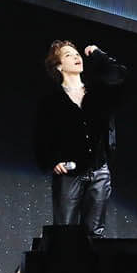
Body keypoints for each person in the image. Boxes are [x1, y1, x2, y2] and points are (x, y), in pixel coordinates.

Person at [33, 41, 127, 238]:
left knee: (95, 235)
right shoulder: (52, 101)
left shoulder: (97, 92)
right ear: (59, 66)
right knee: (64, 233)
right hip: (70, 173)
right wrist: (53, 160)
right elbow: (41, 137)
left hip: (99, 170)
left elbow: (119, 74)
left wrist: (98, 54)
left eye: (77, 54)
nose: (76, 57)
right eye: (68, 55)